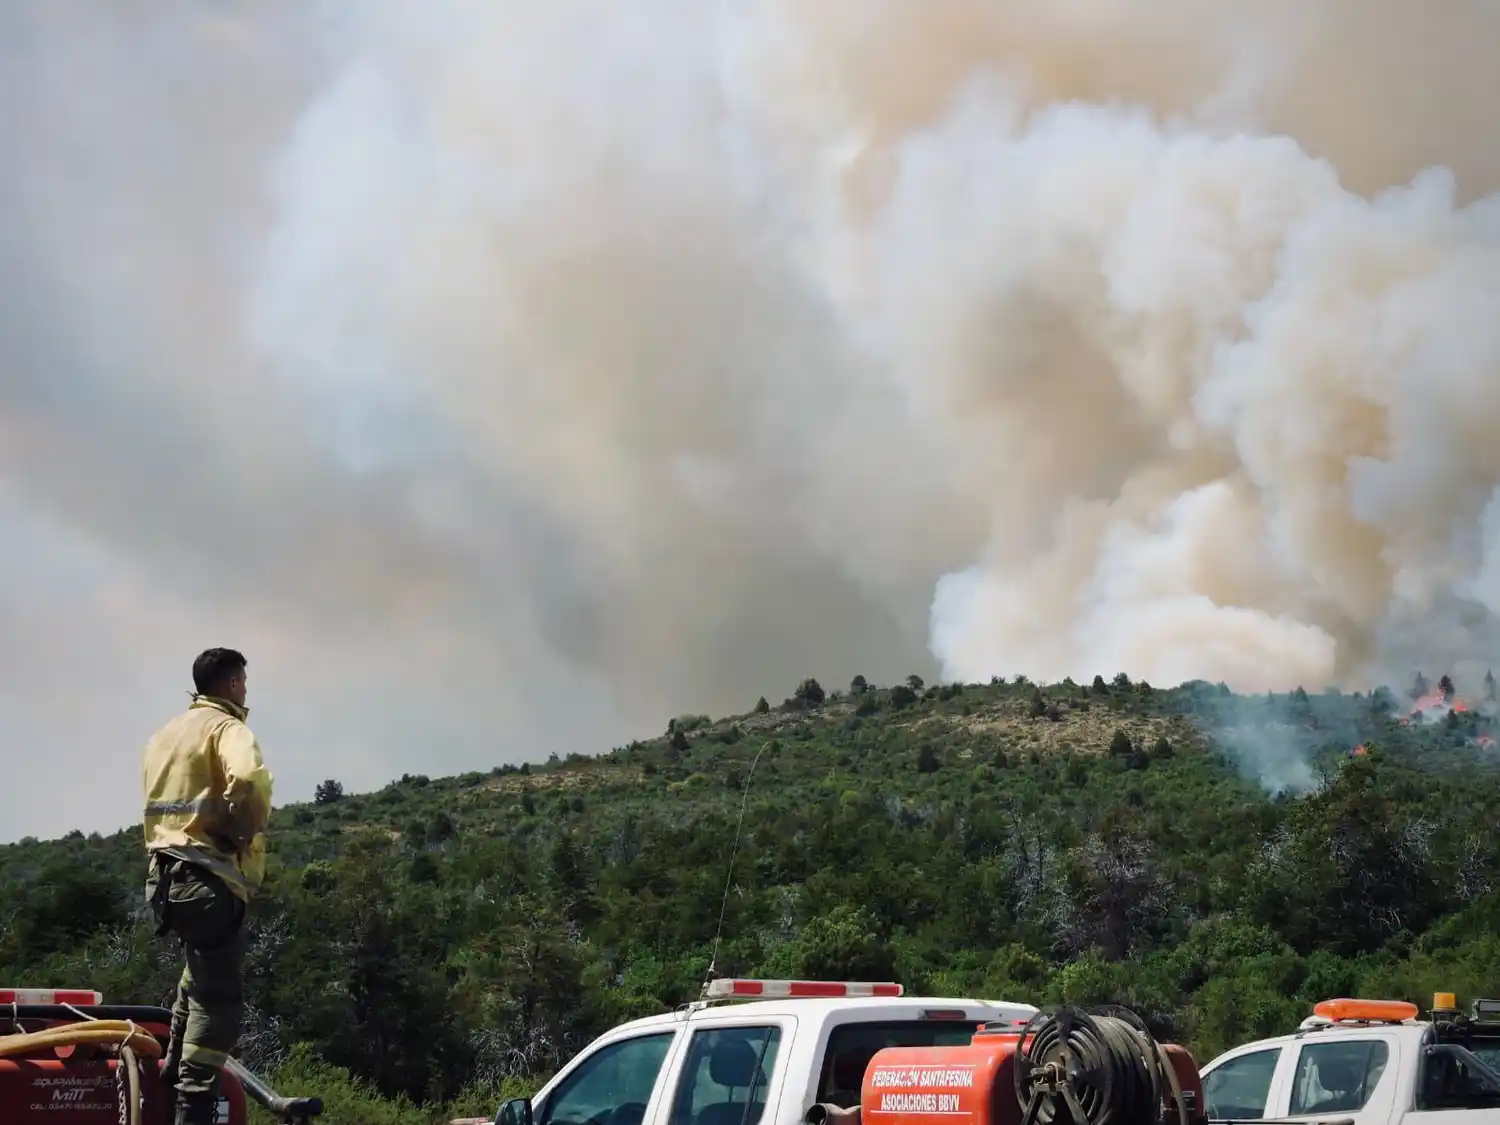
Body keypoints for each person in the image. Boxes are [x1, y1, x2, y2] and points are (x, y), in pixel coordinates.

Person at [142, 647, 274, 1125]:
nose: (246, 690)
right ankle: (194, 1104)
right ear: (233, 684)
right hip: (208, 879)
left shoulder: (165, 735)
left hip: (164, 880)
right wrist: (241, 831)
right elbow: (250, 782)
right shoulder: (227, 729)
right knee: (217, 999)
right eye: (243, 682)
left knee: (198, 977)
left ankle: (169, 1074)